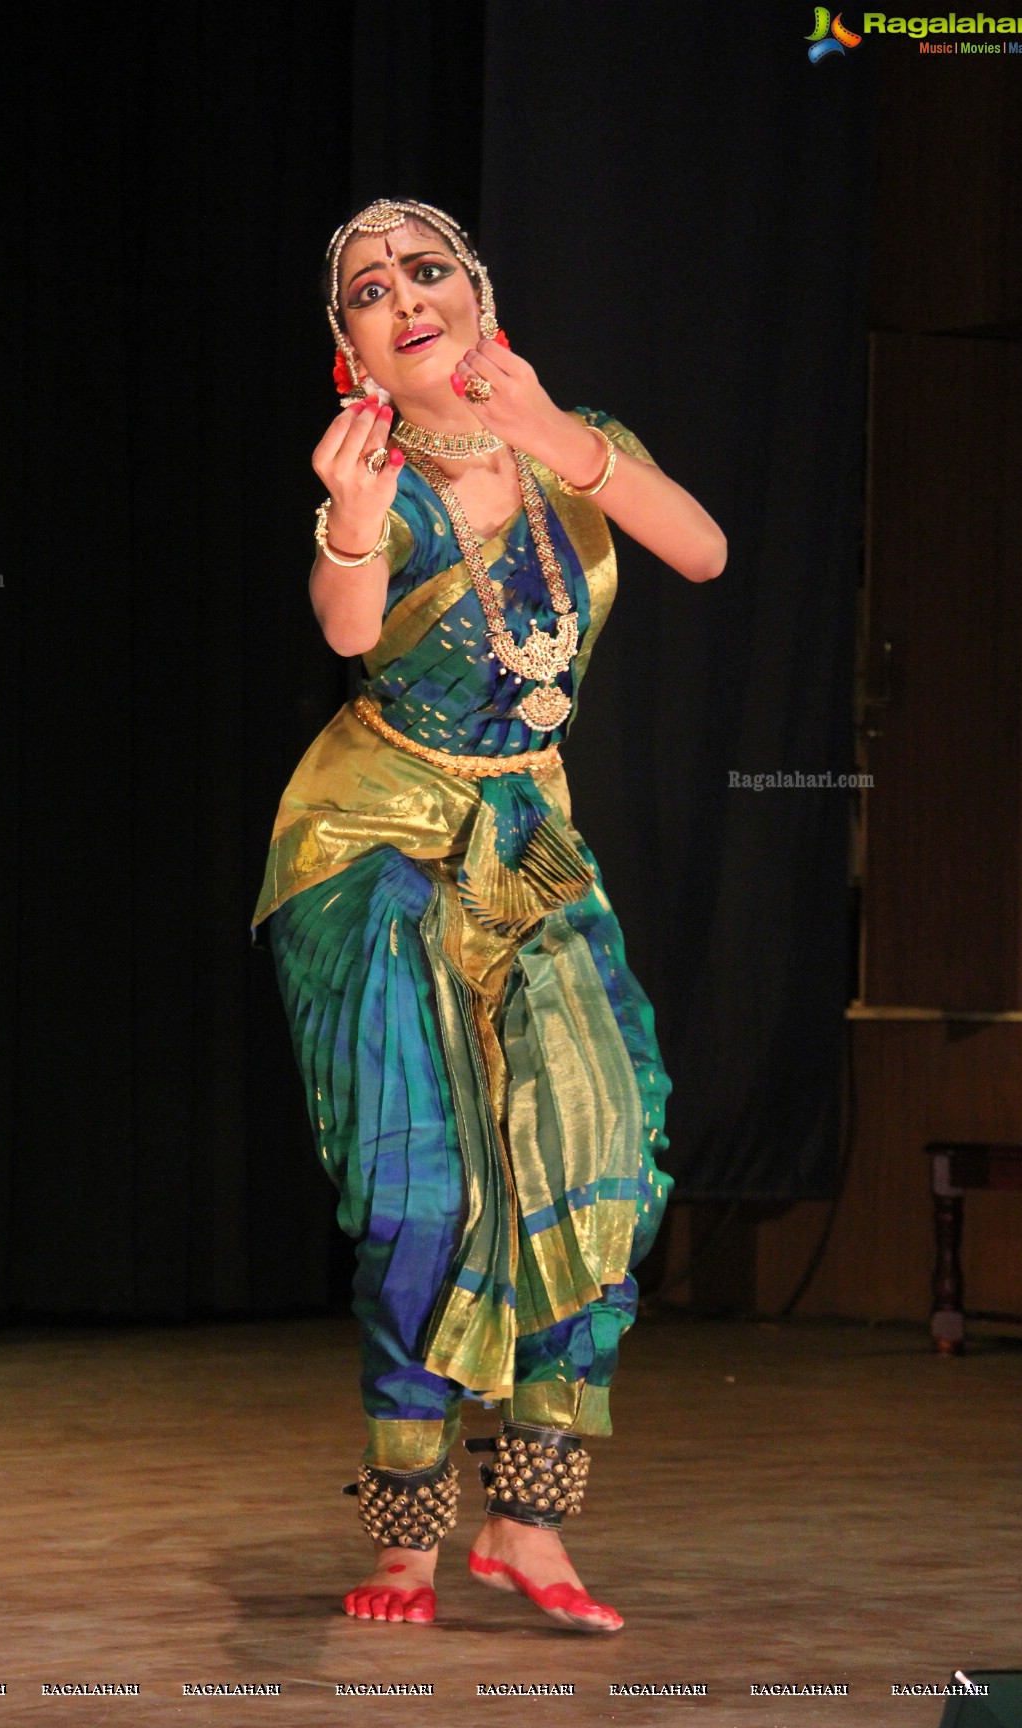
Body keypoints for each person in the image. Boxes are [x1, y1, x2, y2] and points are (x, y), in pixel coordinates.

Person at [253, 198, 726, 1632]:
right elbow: (347, 630)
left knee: (602, 1151)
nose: (403, 294)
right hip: (371, 842)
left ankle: (529, 1520)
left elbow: (699, 551)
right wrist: (346, 520)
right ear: (351, 352)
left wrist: (553, 438)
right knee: (422, 1190)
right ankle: (404, 1530)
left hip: (527, 837)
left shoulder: (576, 441)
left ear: (478, 296)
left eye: (426, 269)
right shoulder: (374, 481)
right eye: (367, 290)